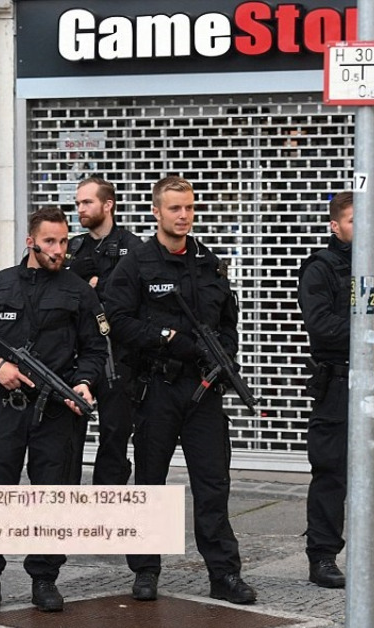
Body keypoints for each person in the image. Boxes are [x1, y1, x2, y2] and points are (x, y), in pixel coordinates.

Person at [103, 175, 255, 605]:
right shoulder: (136, 262)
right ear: (157, 212)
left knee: (213, 483)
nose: (184, 215)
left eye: (189, 207)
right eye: (175, 208)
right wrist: (166, 338)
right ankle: (146, 569)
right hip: (157, 387)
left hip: (203, 389)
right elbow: (117, 319)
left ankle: (224, 573)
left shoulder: (207, 261)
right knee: (151, 482)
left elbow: (228, 320)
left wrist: (224, 354)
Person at [0, 206, 108, 613]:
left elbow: (96, 349)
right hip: (6, 406)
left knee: (54, 493)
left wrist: (84, 382)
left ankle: (44, 577)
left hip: (57, 409)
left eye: (63, 241)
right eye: (49, 241)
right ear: (31, 242)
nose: (58, 249)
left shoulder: (78, 291)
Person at [297, 191, 374, 588]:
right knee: (332, 473)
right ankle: (322, 556)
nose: (365, 228)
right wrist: (367, 332)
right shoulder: (320, 268)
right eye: (354, 221)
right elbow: (319, 325)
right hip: (338, 383)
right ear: (336, 226)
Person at [64, 177, 143, 485]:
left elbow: (132, 303)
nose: (80, 209)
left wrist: (95, 289)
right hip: (77, 354)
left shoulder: (132, 248)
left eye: (87, 202)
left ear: (108, 205)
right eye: (78, 203)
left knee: (115, 435)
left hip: (118, 356)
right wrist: (86, 286)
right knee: (68, 436)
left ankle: (107, 502)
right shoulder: (73, 248)